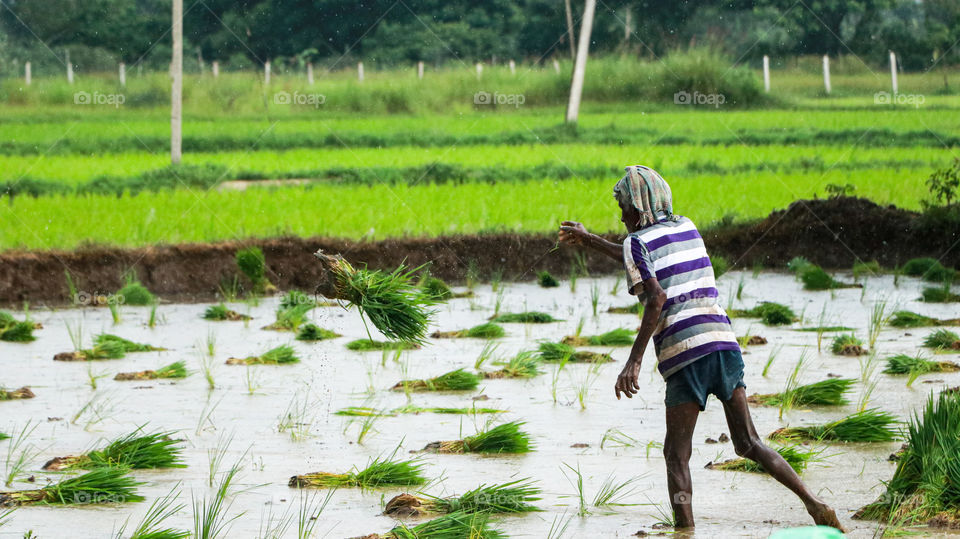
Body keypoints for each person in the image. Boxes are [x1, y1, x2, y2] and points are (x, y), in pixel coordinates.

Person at [558, 165, 844, 532]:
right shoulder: (687, 227)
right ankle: (814, 504)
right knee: (749, 442)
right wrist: (592, 240)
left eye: (624, 207)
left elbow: (656, 295)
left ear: (640, 207)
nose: (622, 215)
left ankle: (685, 531)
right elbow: (643, 258)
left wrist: (633, 360)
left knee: (676, 455)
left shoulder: (635, 242)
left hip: (684, 355)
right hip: (724, 346)